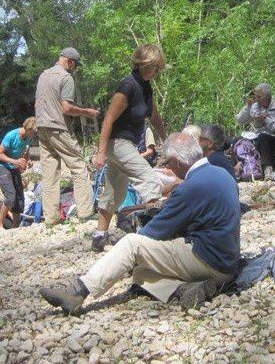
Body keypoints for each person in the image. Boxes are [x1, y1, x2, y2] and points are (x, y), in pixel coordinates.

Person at [39, 133, 240, 314]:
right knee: (141, 272)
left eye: (169, 163)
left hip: (209, 262)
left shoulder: (190, 188)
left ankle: (79, 291)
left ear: (178, 162)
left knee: (132, 243)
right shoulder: (223, 174)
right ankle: (184, 289)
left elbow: (153, 232)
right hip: (228, 263)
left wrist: (121, 250)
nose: (168, 168)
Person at [91, 44, 167, 252]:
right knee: (149, 179)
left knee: (115, 192)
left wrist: (166, 141)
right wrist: (100, 153)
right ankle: (155, 232)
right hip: (117, 143)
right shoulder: (128, 86)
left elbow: (155, 116)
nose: (158, 72)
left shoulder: (146, 86)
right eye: (156, 68)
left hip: (127, 144)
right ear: (145, 65)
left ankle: (99, 237)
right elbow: (108, 118)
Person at [35, 48, 100, 227]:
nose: (76, 69)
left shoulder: (44, 75)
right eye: (76, 65)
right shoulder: (66, 77)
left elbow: (37, 103)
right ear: (70, 61)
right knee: (78, 166)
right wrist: (88, 112)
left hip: (41, 126)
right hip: (58, 127)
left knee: (49, 174)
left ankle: (51, 219)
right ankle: (86, 213)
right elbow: (66, 108)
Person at [0, 116, 38, 231]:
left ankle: (16, 227)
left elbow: (26, 151)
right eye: (33, 132)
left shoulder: (29, 138)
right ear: (28, 129)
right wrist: (15, 161)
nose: (34, 135)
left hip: (15, 169)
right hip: (3, 167)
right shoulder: (11, 135)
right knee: (10, 196)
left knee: (19, 199)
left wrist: (28, 160)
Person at [235, 83, 275, 178]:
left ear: (267, 96)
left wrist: (266, 119)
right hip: (257, 135)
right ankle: (243, 170)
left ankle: (268, 169)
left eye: (259, 97)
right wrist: (248, 107)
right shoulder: (255, 106)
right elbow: (240, 120)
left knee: (263, 137)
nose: (257, 99)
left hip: (273, 137)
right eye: (255, 97)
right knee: (238, 140)